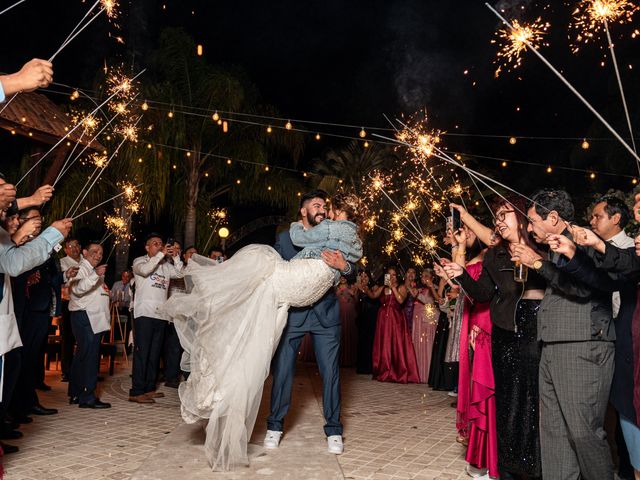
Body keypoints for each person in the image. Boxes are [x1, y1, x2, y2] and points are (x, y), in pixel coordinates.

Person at [163, 191, 363, 470]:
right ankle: (275, 426)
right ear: (303, 211)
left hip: (325, 315)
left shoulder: (337, 233)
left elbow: (355, 267)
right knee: (282, 371)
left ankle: (333, 430)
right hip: (292, 314)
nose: (322, 210)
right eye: (316, 206)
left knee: (331, 374)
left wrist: (345, 267)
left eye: (324, 207)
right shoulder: (286, 238)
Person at [510, 189, 615, 480]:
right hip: (554, 346)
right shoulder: (556, 247)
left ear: (553, 217)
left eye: (532, 221)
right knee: (554, 433)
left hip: (582, 347)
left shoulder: (586, 241)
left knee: (583, 433)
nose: (529, 228)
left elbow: (582, 288)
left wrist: (537, 263)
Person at [438, 197, 544, 479]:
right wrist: (461, 275)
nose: (498, 221)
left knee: (531, 406)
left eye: (504, 215)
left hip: (534, 338)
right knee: (505, 407)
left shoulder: (539, 247)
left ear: (521, 216)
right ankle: (506, 469)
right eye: (495, 216)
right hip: (503, 339)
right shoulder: (495, 255)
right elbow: (483, 293)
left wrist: (535, 261)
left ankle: (534, 468)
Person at [129, 234, 184, 404]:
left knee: (154, 354)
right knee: (142, 353)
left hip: (161, 314)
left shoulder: (166, 266)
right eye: (155, 244)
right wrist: (161, 255)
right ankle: (136, 391)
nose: (160, 246)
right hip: (144, 313)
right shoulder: (139, 261)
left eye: (161, 243)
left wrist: (175, 256)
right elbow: (145, 271)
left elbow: (180, 273)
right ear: (147, 247)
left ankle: (149, 388)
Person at [68, 242, 111, 409]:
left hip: (91, 318)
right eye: (94, 251)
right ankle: (87, 397)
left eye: (101, 252)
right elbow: (77, 289)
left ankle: (76, 393)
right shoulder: (80, 268)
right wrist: (96, 275)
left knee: (82, 356)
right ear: (85, 252)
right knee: (90, 357)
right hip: (85, 317)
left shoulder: (92, 271)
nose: (98, 255)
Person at [370, 266, 420, 384]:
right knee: (384, 344)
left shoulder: (401, 287)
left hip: (396, 320)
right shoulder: (383, 287)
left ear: (396, 276)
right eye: (389, 275)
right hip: (383, 320)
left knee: (396, 344)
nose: (391, 277)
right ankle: (383, 370)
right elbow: (373, 296)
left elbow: (401, 300)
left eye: (393, 275)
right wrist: (365, 288)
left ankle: (398, 371)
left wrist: (393, 287)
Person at [408, 269, 439, 383]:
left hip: (428, 322)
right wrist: (412, 289)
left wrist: (417, 295)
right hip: (419, 321)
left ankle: (428, 375)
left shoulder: (434, 288)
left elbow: (429, 301)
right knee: (419, 346)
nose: (424, 278)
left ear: (432, 277)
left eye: (427, 275)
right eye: (422, 276)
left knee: (428, 346)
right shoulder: (421, 289)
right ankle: (418, 374)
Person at [59, 238, 82, 382]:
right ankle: (66, 371)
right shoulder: (62, 262)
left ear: (80, 247)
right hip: (68, 303)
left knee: (82, 338)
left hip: (85, 303)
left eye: (76, 245)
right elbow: (63, 282)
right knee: (67, 338)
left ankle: (82, 370)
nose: (73, 248)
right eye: (70, 246)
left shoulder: (86, 260)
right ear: (65, 250)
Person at [355, 270, 379, 375]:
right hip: (362, 315)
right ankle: (362, 366)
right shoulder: (359, 287)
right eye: (362, 276)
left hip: (372, 315)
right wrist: (357, 291)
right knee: (362, 340)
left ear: (370, 277)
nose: (364, 278)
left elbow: (374, 297)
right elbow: (356, 301)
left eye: (366, 276)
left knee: (371, 340)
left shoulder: (374, 287)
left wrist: (364, 289)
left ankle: (371, 366)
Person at [336, 275, 358, 367]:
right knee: (340, 334)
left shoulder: (352, 287)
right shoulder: (335, 287)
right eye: (341, 276)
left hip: (350, 312)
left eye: (344, 277)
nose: (343, 278)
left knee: (350, 333)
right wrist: (339, 291)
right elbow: (333, 299)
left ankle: (350, 359)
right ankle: (339, 360)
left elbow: (356, 300)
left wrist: (353, 293)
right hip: (339, 312)